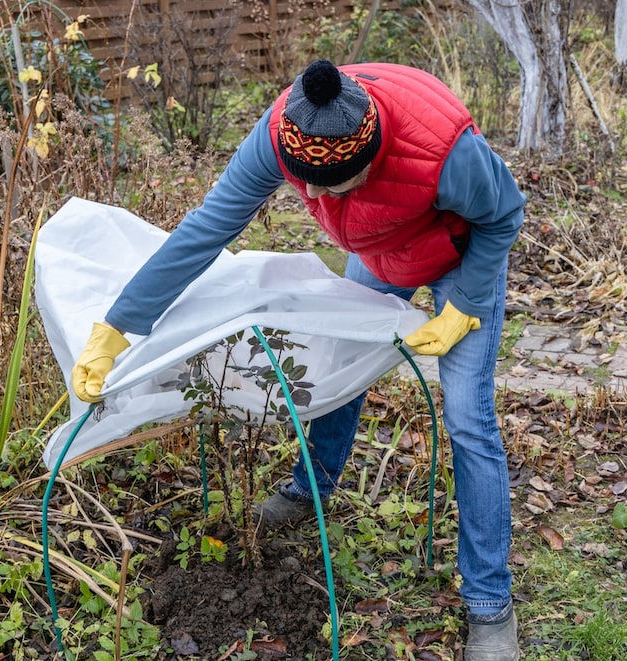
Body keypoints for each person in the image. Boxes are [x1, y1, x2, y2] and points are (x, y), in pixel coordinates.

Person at [71, 59, 525, 660]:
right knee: (342, 359)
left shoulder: (442, 149)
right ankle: (312, 487)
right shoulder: (283, 131)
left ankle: (491, 608)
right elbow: (207, 229)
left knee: (468, 417)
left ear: (368, 160)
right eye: (301, 180)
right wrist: (121, 322)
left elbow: (504, 213)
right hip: (381, 248)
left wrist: (464, 305)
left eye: (328, 185)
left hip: (460, 255)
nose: (307, 196)